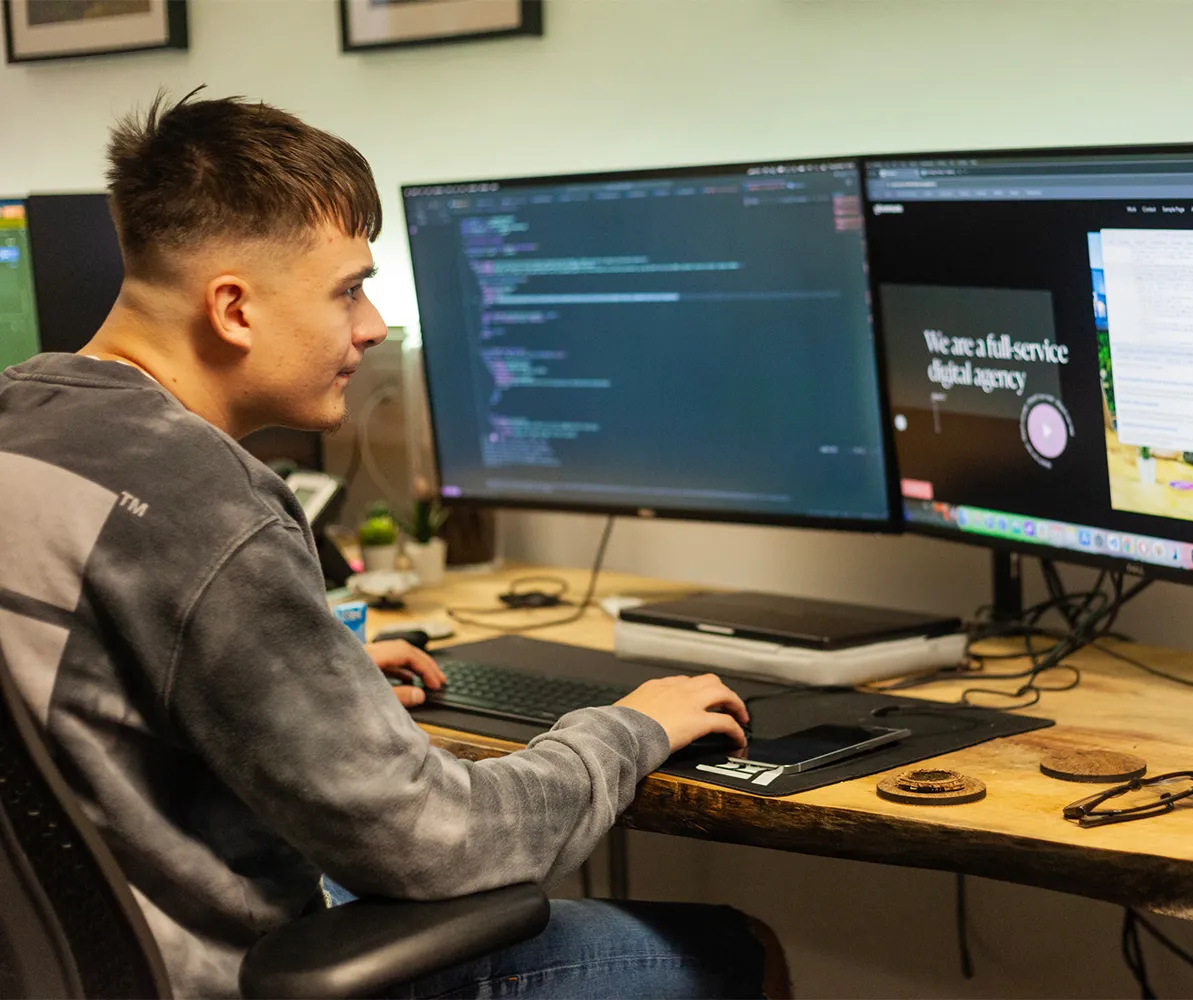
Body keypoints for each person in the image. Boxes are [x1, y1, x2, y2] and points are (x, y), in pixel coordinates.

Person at [0, 90, 786, 999]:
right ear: (234, 309)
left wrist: (295, 674)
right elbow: (433, 842)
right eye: (348, 290)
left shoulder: (24, 417)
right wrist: (629, 728)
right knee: (737, 953)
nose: (372, 326)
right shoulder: (209, 506)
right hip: (219, 977)